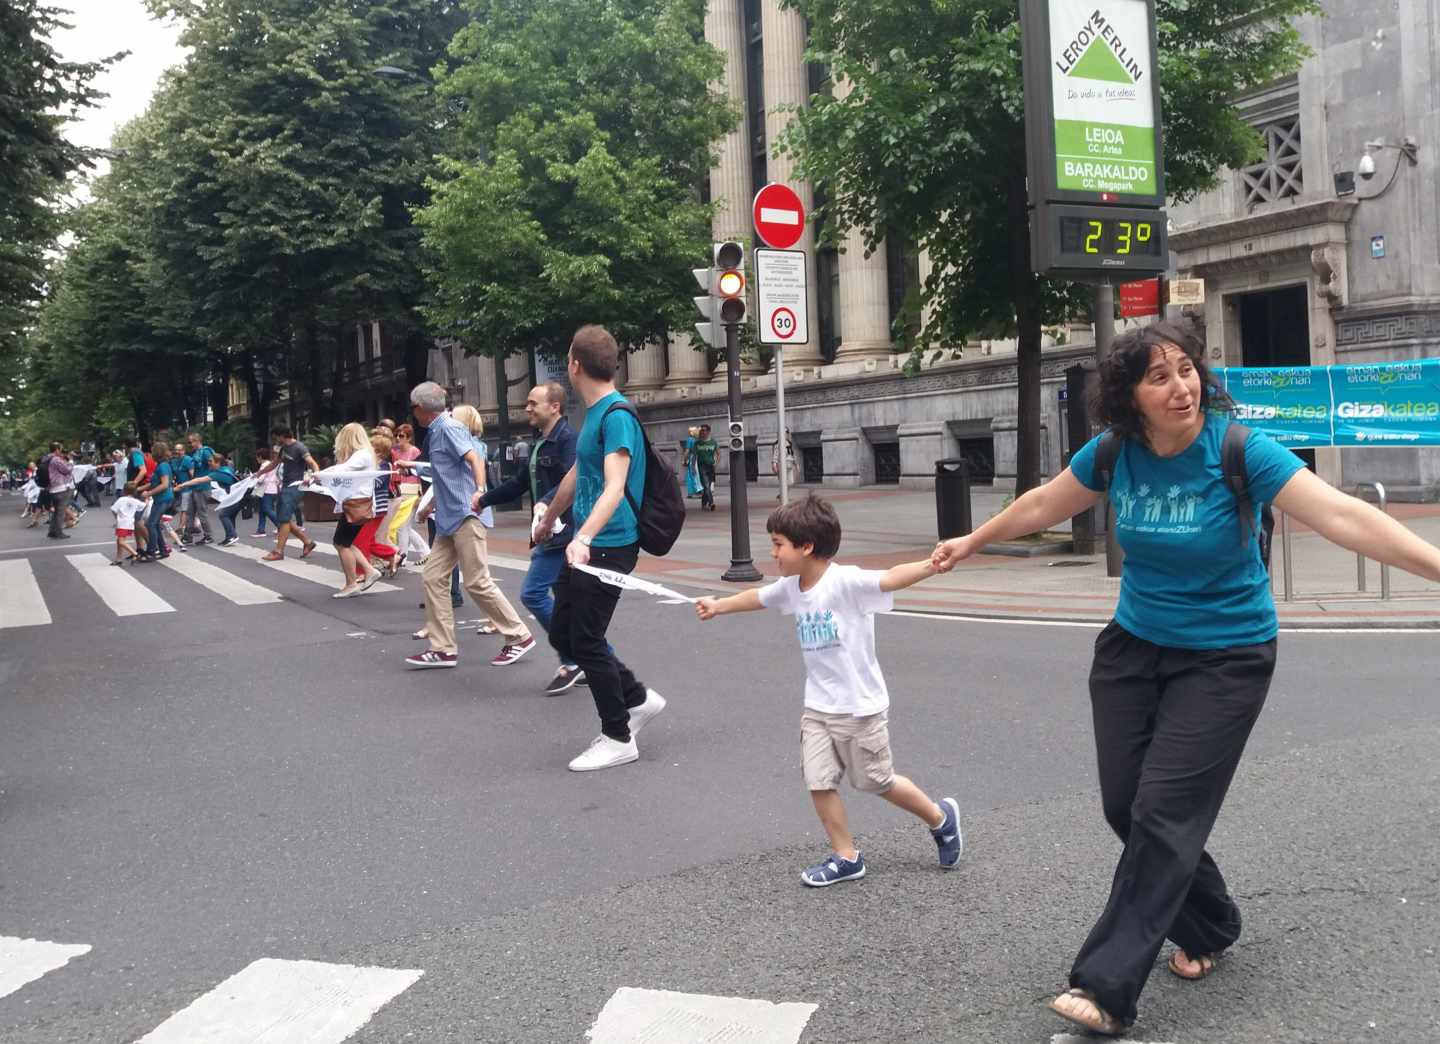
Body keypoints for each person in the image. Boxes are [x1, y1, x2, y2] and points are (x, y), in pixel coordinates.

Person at [929, 320, 1440, 1037]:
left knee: (1163, 814)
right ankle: (1211, 922)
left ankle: (1106, 985)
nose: (1181, 386)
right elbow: (1048, 501)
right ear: (1129, 396)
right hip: (1134, 649)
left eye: (1186, 369)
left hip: (1226, 656)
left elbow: (1342, 515)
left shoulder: (1238, 450)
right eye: (1159, 376)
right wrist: (975, 539)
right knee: (1125, 806)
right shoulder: (1115, 452)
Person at [696, 494, 962, 886]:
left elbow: (889, 578)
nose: (773, 553)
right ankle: (847, 856)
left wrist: (931, 564)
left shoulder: (845, 582)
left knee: (876, 782)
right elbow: (758, 596)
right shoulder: (791, 587)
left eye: (778, 544)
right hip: (818, 706)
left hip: (859, 708)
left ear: (806, 546)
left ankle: (941, 819)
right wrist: (719, 606)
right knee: (818, 781)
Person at [535, 325, 665, 771]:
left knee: (586, 640)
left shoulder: (616, 416)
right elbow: (578, 474)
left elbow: (614, 486)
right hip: (586, 542)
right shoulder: (593, 414)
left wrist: (584, 537)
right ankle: (637, 699)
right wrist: (551, 517)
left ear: (574, 365)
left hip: (610, 544)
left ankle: (618, 735)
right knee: (564, 634)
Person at [404, 382, 534, 669]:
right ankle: (442, 649)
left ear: (421, 408)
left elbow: (473, 458)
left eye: (413, 408)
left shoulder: (447, 428)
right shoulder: (439, 429)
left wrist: (479, 490)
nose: (413, 413)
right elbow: (448, 476)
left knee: (476, 580)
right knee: (433, 577)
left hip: (465, 515)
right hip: (451, 518)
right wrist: (429, 507)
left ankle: (518, 635)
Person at [480, 381, 590, 694]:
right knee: (569, 606)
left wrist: (547, 508)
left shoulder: (569, 440)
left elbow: (573, 481)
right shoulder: (540, 442)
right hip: (550, 532)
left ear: (554, 406)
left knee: (533, 594)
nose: (526, 408)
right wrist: (483, 500)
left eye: (533, 403)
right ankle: (587, 660)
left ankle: (574, 659)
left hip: (562, 533)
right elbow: (519, 484)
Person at [320, 422, 383, 599]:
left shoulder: (361, 455)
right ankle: (369, 571)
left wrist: (318, 476)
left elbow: (342, 470)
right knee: (346, 542)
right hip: (356, 503)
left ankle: (351, 583)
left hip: (356, 503)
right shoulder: (365, 454)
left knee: (341, 543)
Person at [259, 427, 320, 561]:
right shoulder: (284, 449)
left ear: (282, 435)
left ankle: (278, 551)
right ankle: (308, 542)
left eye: (276, 437)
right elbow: (274, 464)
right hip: (285, 487)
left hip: (295, 487)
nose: (275, 440)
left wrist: (314, 475)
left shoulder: (299, 447)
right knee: (283, 518)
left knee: (284, 519)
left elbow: (311, 462)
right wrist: (260, 473)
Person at [175, 452, 240, 544]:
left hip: (237, 497)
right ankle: (230, 536)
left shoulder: (218, 473)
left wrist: (183, 484)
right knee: (229, 516)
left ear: (218, 463)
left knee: (223, 515)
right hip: (237, 496)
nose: (208, 463)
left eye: (210, 461)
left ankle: (232, 536)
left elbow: (199, 480)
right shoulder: (227, 469)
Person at [137, 443, 175, 561]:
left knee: (150, 524)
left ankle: (151, 552)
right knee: (155, 524)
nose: (151, 453)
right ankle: (162, 550)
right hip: (161, 498)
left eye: (153, 451)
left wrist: (148, 493)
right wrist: (139, 488)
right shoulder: (161, 465)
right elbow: (155, 482)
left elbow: (164, 485)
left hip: (163, 499)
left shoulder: (162, 466)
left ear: (157, 452)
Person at [183, 432, 216, 544]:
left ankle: (208, 536)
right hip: (195, 486)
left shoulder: (205, 451)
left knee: (202, 513)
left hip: (203, 487)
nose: (190, 444)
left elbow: (213, 463)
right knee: (190, 512)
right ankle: (187, 536)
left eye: (191, 441)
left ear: (198, 441)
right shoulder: (197, 452)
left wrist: (210, 475)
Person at [111, 483, 147, 564]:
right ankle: (119, 558)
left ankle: (135, 554)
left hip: (122, 523)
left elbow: (113, 509)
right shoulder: (135, 501)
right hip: (130, 523)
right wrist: (146, 499)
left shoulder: (121, 499)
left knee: (121, 541)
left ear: (124, 490)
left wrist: (116, 518)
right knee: (120, 540)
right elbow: (143, 506)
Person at [250, 447, 282, 536]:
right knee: (262, 510)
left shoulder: (264, 465)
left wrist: (253, 478)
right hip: (272, 489)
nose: (257, 460)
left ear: (260, 457)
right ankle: (261, 529)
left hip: (266, 489)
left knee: (266, 509)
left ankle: (281, 525)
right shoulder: (270, 464)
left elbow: (261, 479)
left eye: (257, 457)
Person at [45, 443, 74, 540]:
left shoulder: (46, 458)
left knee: (56, 511)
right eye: (60, 449)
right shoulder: (56, 459)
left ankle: (52, 531)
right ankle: (58, 532)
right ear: (57, 449)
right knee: (60, 511)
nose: (61, 451)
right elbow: (67, 470)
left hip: (51, 488)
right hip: (60, 487)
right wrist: (70, 461)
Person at [692, 424, 718, 511]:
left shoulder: (713, 442)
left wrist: (716, 463)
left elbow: (718, 453)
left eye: (704, 430)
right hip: (702, 466)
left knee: (708, 486)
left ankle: (703, 503)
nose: (702, 432)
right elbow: (694, 456)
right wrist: (692, 468)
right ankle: (711, 503)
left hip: (711, 466)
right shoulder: (697, 443)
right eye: (701, 430)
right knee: (706, 485)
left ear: (708, 431)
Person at [771, 429, 797, 501]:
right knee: (783, 481)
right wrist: (774, 464)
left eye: (787, 433)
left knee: (791, 482)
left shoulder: (789, 443)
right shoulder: (778, 444)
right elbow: (775, 455)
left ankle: (782, 494)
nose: (786, 434)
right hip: (782, 465)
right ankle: (784, 497)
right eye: (785, 433)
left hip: (789, 464)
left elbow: (792, 454)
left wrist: (796, 464)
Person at [680, 427, 702, 499]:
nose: (688, 433)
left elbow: (687, 451)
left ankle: (696, 490)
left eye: (689, 431)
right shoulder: (698, 440)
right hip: (699, 457)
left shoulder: (690, 439)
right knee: (696, 473)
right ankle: (696, 491)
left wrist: (684, 459)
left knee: (692, 474)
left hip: (693, 458)